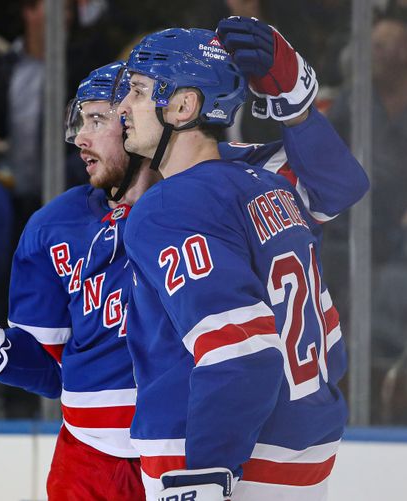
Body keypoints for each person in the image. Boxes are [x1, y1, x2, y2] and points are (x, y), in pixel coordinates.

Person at [0, 18, 368, 501]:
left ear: (169, 109)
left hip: (192, 445)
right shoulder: (54, 227)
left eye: (101, 118)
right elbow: (54, 367)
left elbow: (336, 189)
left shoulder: (225, 176)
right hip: (105, 452)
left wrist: (296, 104)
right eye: (81, 120)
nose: (82, 139)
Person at [116, 19, 367, 500]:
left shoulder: (169, 206)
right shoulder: (265, 183)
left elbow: (239, 350)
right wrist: (295, 103)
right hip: (304, 448)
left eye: (139, 91)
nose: (123, 105)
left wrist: (206, 474)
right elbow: (337, 186)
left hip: (222, 461)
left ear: (184, 105)